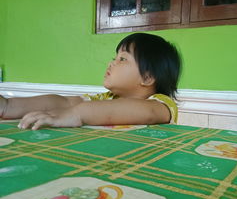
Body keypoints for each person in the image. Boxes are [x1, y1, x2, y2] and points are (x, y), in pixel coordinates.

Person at [0, 33, 181, 130]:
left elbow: (146, 112)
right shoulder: (106, 98)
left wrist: (76, 114)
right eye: (114, 57)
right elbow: (65, 101)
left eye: (122, 59)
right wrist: (9, 105)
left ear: (147, 77)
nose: (111, 63)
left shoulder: (161, 104)